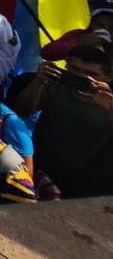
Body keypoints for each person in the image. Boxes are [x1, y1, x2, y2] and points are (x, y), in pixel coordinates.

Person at [15, 44, 113, 198]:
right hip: (47, 177)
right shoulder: (54, 86)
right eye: (74, 70)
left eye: (91, 74)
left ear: (108, 77)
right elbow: (23, 110)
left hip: (93, 185)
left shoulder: (109, 100)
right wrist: (38, 81)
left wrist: (109, 107)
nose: (81, 77)